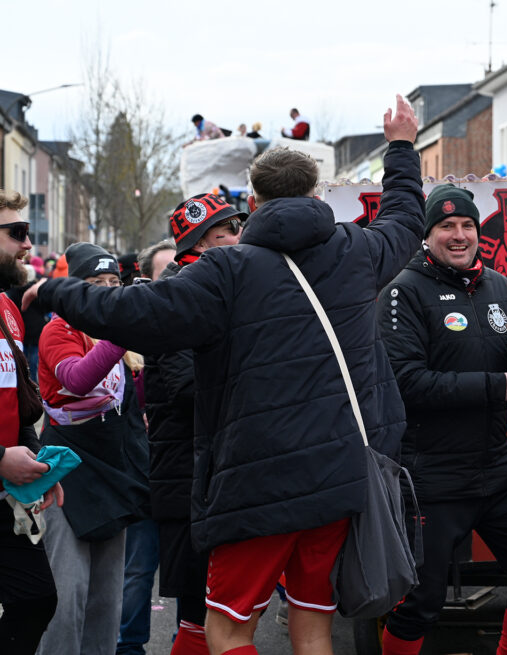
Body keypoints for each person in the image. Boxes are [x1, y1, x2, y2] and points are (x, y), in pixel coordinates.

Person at [25, 95, 423, 655]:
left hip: (256, 484)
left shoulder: (225, 270)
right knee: (312, 625)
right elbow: (406, 214)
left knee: (227, 628)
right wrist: (401, 145)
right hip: (340, 476)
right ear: (315, 194)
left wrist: (56, 289)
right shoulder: (358, 251)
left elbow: (139, 314)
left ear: (254, 202)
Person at [376, 184, 507, 655]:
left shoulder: (500, 286)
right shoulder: (403, 291)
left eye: (466, 226)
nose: (458, 235)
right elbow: (405, 384)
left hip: (497, 469)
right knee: (420, 600)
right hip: (432, 476)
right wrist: (494, 385)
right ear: (428, 234)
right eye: (446, 227)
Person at [36, 241, 151, 655]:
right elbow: (78, 378)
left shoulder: (113, 332)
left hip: (112, 469)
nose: (106, 291)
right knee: (68, 597)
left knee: (107, 600)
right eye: (94, 284)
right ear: (74, 289)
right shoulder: (58, 329)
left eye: (112, 283)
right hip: (67, 473)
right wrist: (123, 332)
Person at [142, 203, 243, 655]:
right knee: (198, 606)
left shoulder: (218, 289)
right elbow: (187, 387)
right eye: (228, 231)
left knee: (220, 605)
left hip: (212, 471)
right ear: (200, 243)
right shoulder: (179, 296)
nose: (239, 237)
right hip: (187, 474)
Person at [0, 190, 61, 654]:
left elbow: (17, 403)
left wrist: (37, 465)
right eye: (17, 233)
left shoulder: (8, 306)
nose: (28, 245)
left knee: (36, 598)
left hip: (7, 490)